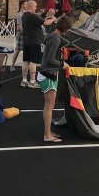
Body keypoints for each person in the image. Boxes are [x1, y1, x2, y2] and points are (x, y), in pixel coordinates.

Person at [38, 15, 74, 143]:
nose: (69, 31)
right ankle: (47, 135)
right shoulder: (56, 39)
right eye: (69, 28)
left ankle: (48, 132)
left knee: (49, 105)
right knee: (49, 106)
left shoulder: (52, 35)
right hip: (47, 75)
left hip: (46, 73)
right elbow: (50, 59)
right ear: (65, 28)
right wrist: (62, 64)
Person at [22, 0, 56, 88]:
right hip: (34, 41)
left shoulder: (24, 15)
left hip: (26, 41)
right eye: (35, 6)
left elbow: (39, 21)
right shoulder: (32, 16)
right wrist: (53, 19)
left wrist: (45, 17)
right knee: (33, 62)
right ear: (31, 6)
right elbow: (46, 23)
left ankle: (24, 80)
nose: (36, 8)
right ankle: (32, 82)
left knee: (26, 61)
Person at [8, 1, 27, 70]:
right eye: (26, 4)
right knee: (17, 50)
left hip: (26, 34)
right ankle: (12, 65)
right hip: (21, 34)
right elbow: (19, 27)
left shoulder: (26, 13)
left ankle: (25, 66)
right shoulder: (20, 14)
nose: (27, 5)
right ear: (22, 5)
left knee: (26, 50)